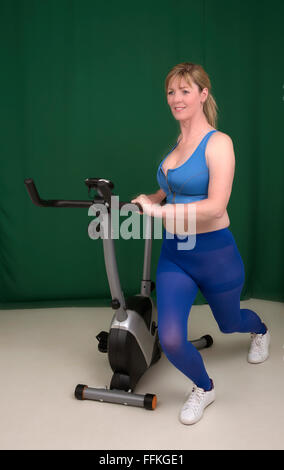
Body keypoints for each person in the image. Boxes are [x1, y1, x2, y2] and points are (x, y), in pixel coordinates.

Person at [131, 62, 270, 425]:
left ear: (203, 94)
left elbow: (215, 207)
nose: (176, 99)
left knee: (230, 322)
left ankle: (260, 330)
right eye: (171, 92)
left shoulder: (219, 143)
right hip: (176, 254)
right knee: (173, 338)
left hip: (214, 253)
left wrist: (157, 214)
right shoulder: (178, 142)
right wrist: (152, 197)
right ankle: (204, 387)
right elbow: (171, 188)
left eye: (185, 91)